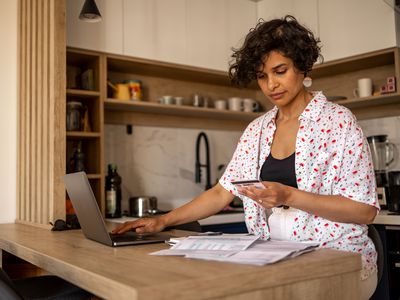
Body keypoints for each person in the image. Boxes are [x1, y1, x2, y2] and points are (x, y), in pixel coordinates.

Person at [113, 15, 379, 299]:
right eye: (262, 76)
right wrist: (163, 221)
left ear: (303, 66)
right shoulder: (257, 129)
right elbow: (221, 192)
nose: (271, 85)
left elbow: (364, 210)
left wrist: (289, 196)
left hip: (339, 262)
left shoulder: (337, 121)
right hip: (277, 260)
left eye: (280, 71)